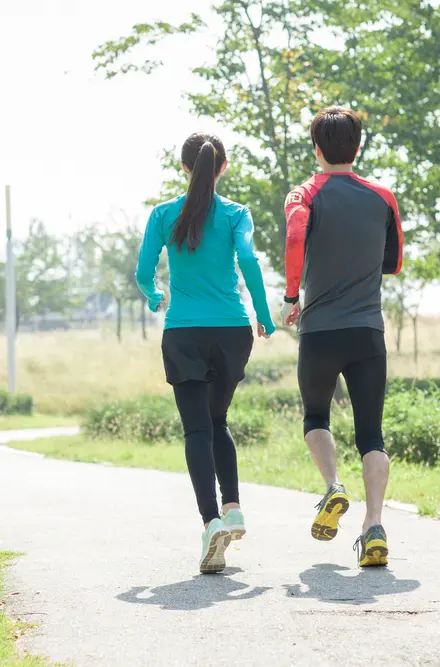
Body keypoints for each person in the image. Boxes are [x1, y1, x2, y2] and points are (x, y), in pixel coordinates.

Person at [136, 132, 276, 574]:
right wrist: (264, 314)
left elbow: (143, 272)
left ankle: (211, 521)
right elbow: (249, 262)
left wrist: (155, 295)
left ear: (184, 167)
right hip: (233, 332)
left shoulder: (162, 214)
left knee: (198, 430)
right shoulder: (237, 214)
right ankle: (232, 507)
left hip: (185, 333)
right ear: (223, 166)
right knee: (219, 421)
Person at [280, 107, 403, 568]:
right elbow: (394, 262)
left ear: (316, 148)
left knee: (316, 417)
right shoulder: (382, 196)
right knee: (372, 434)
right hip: (367, 330)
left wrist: (293, 295)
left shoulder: (305, 194)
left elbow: (295, 236)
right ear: (358, 146)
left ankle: (333, 487)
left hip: (319, 331)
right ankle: (374, 526)